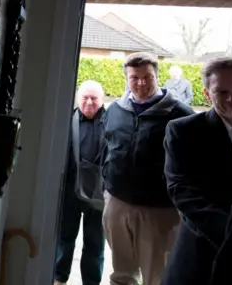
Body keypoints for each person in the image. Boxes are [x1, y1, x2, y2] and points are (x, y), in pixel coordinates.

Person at [102, 52, 193, 285]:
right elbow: (108, 148)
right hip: (118, 204)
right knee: (121, 273)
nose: (141, 82)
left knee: (156, 275)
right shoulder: (114, 110)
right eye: (134, 77)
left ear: (157, 76)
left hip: (159, 211)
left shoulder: (180, 114)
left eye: (147, 77)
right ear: (126, 78)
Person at [162, 57, 232, 285]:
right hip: (203, 255)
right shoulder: (184, 131)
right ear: (207, 94)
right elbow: (183, 192)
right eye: (222, 91)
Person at [54, 80, 107, 285]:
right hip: (70, 191)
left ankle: (91, 282)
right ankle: (59, 278)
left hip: (99, 196)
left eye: (94, 98)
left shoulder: (111, 121)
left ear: (102, 101)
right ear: (78, 99)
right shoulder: (67, 119)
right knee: (64, 239)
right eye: (85, 97)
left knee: (95, 244)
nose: (89, 102)